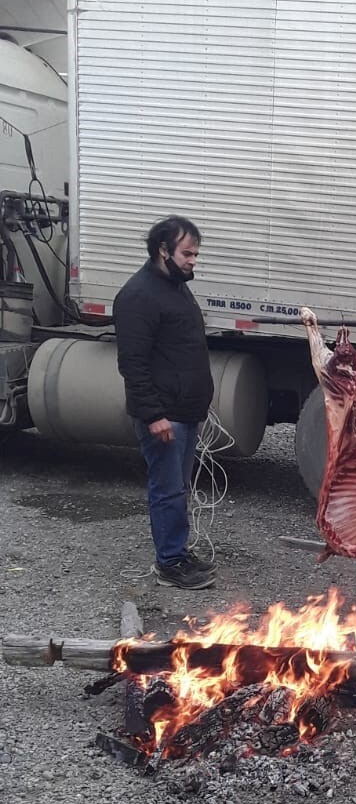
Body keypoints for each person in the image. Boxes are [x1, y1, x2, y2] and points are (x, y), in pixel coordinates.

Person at [113, 215, 217, 590]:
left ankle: (177, 551)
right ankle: (169, 563)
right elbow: (133, 364)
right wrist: (154, 415)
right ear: (162, 250)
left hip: (185, 412)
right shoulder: (138, 296)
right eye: (187, 253)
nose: (193, 261)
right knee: (167, 489)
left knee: (178, 487)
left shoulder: (175, 287)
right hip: (164, 417)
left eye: (195, 254)